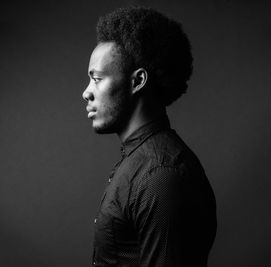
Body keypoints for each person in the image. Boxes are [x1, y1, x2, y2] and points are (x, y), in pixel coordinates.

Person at [82, 6, 217, 266]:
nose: (86, 93)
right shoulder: (140, 162)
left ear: (137, 81)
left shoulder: (161, 176)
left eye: (97, 79)